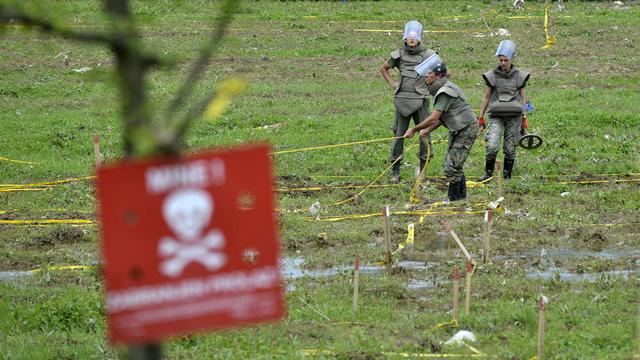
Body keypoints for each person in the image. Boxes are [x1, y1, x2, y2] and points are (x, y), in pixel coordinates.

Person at [404, 55, 479, 201]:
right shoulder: (442, 89)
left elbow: (434, 117)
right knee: (454, 164)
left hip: (466, 129)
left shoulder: (445, 91)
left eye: (429, 74)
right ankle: (459, 197)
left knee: (451, 167)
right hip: (458, 129)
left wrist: (414, 129)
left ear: (438, 76)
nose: (426, 77)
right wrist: (427, 130)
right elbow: (443, 116)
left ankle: (454, 198)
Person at [380, 20, 435, 184]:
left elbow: (446, 73)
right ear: (405, 38)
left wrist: (431, 81)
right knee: (399, 135)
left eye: (415, 37)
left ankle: (423, 169)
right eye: (409, 37)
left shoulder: (428, 55)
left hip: (422, 100)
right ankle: (395, 171)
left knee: (424, 134)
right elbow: (383, 69)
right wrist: (393, 83)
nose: (412, 39)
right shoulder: (398, 55)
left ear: (420, 38)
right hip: (402, 99)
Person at [477, 40, 530, 180]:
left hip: (514, 117)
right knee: (492, 145)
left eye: (506, 60)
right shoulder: (492, 76)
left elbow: (523, 98)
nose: (503, 63)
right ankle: (488, 173)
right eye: (501, 60)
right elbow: (486, 97)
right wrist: (480, 117)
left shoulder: (520, 76)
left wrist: (524, 118)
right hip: (496, 116)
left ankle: (507, 176)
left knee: (510, 147)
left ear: (511, 59)